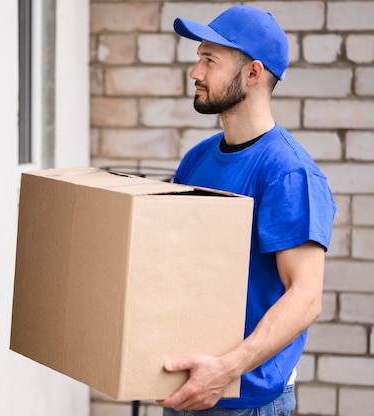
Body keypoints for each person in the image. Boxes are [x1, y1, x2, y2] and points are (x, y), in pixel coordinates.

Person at [155, 5, 336, 416]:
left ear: (253, 73)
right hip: (187, 389)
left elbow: (306, 298)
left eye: (209, 60)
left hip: (245, 402)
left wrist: (224, 371)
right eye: (198, 58)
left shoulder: (288, 173)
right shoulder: (197, 159)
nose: (195, 72)